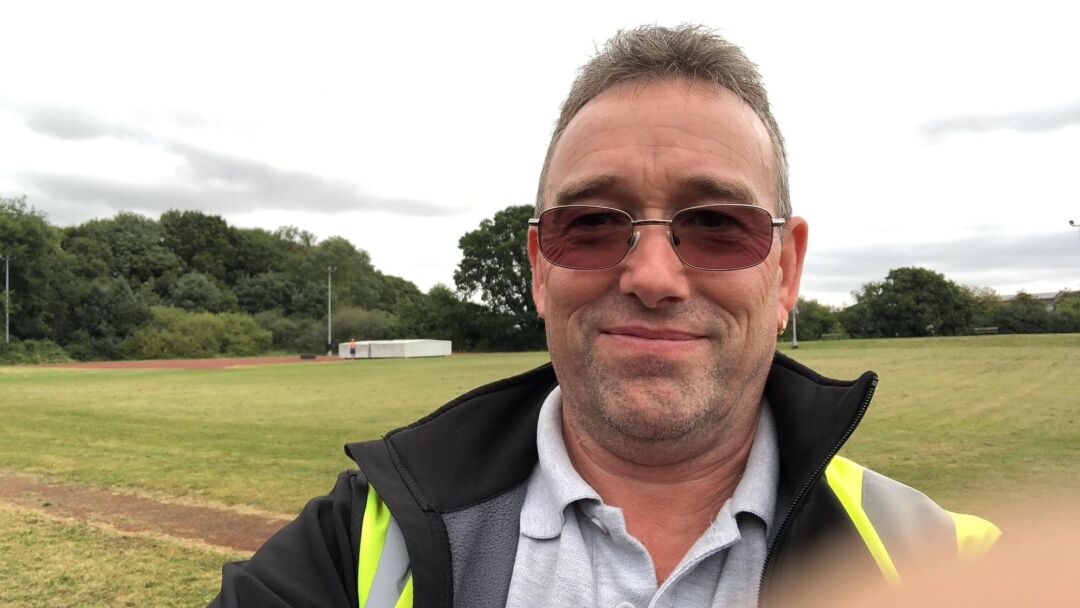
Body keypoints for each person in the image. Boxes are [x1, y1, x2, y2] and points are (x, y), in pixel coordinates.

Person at [210, 25, 999, 608]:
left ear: (785, 269)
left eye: (717, 224)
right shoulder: (358, 545)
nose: (652, 276)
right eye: (589, 224)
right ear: (538, 268)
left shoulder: (939, 565)